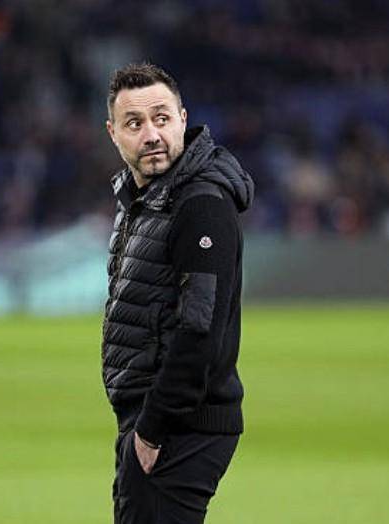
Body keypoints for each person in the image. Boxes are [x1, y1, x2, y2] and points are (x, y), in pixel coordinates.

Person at [101, 62, 254, 523]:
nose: (151, 134)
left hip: (178, 424)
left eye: (162, 118)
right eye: (134, 123)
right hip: (158, 419)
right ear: (113, 133)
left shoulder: (201, 204)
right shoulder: (147, 200)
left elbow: (198, 329)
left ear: (183, 120)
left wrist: (152, 429)